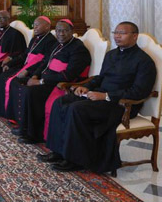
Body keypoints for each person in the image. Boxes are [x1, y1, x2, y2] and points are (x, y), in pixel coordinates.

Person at [40, 22, 156, 173]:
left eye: (122, 33)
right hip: (99, 96)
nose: (117, 36)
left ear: (134, 36)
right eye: (116, 32)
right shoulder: (112, 54)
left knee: (76, 109)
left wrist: (106, 96)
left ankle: (75, 160)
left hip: (120, 104)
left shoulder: (144, 61)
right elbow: (101, 78)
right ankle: (58, 151)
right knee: (61, 101)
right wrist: (87, 87)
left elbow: (139, 91)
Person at [14, 19, 91, 144]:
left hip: (62, 85)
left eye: (65, 31)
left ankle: (36, 134)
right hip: (47, 79)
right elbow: (45, 63)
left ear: (72, 31)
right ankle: (26, 128)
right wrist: (35, 76)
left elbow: (68, 75)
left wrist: (40, 82)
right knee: (22, 85)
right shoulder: (57, 45)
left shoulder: (78, 49)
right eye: (59, 31)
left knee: (32, 93)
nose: (61, 34)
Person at [0, 16, 58, 119]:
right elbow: (25, 55)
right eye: (34, 25)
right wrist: (9, 64)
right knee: (3, 76)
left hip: (34, 71)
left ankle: (15, 115)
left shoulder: (51, 41)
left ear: (47, 27)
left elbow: (44, 62)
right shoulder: (35, 38)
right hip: (25, 66)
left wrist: (28, 71)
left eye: (37, 25)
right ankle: (4, 110)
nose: (35, 27)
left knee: (14, 81)